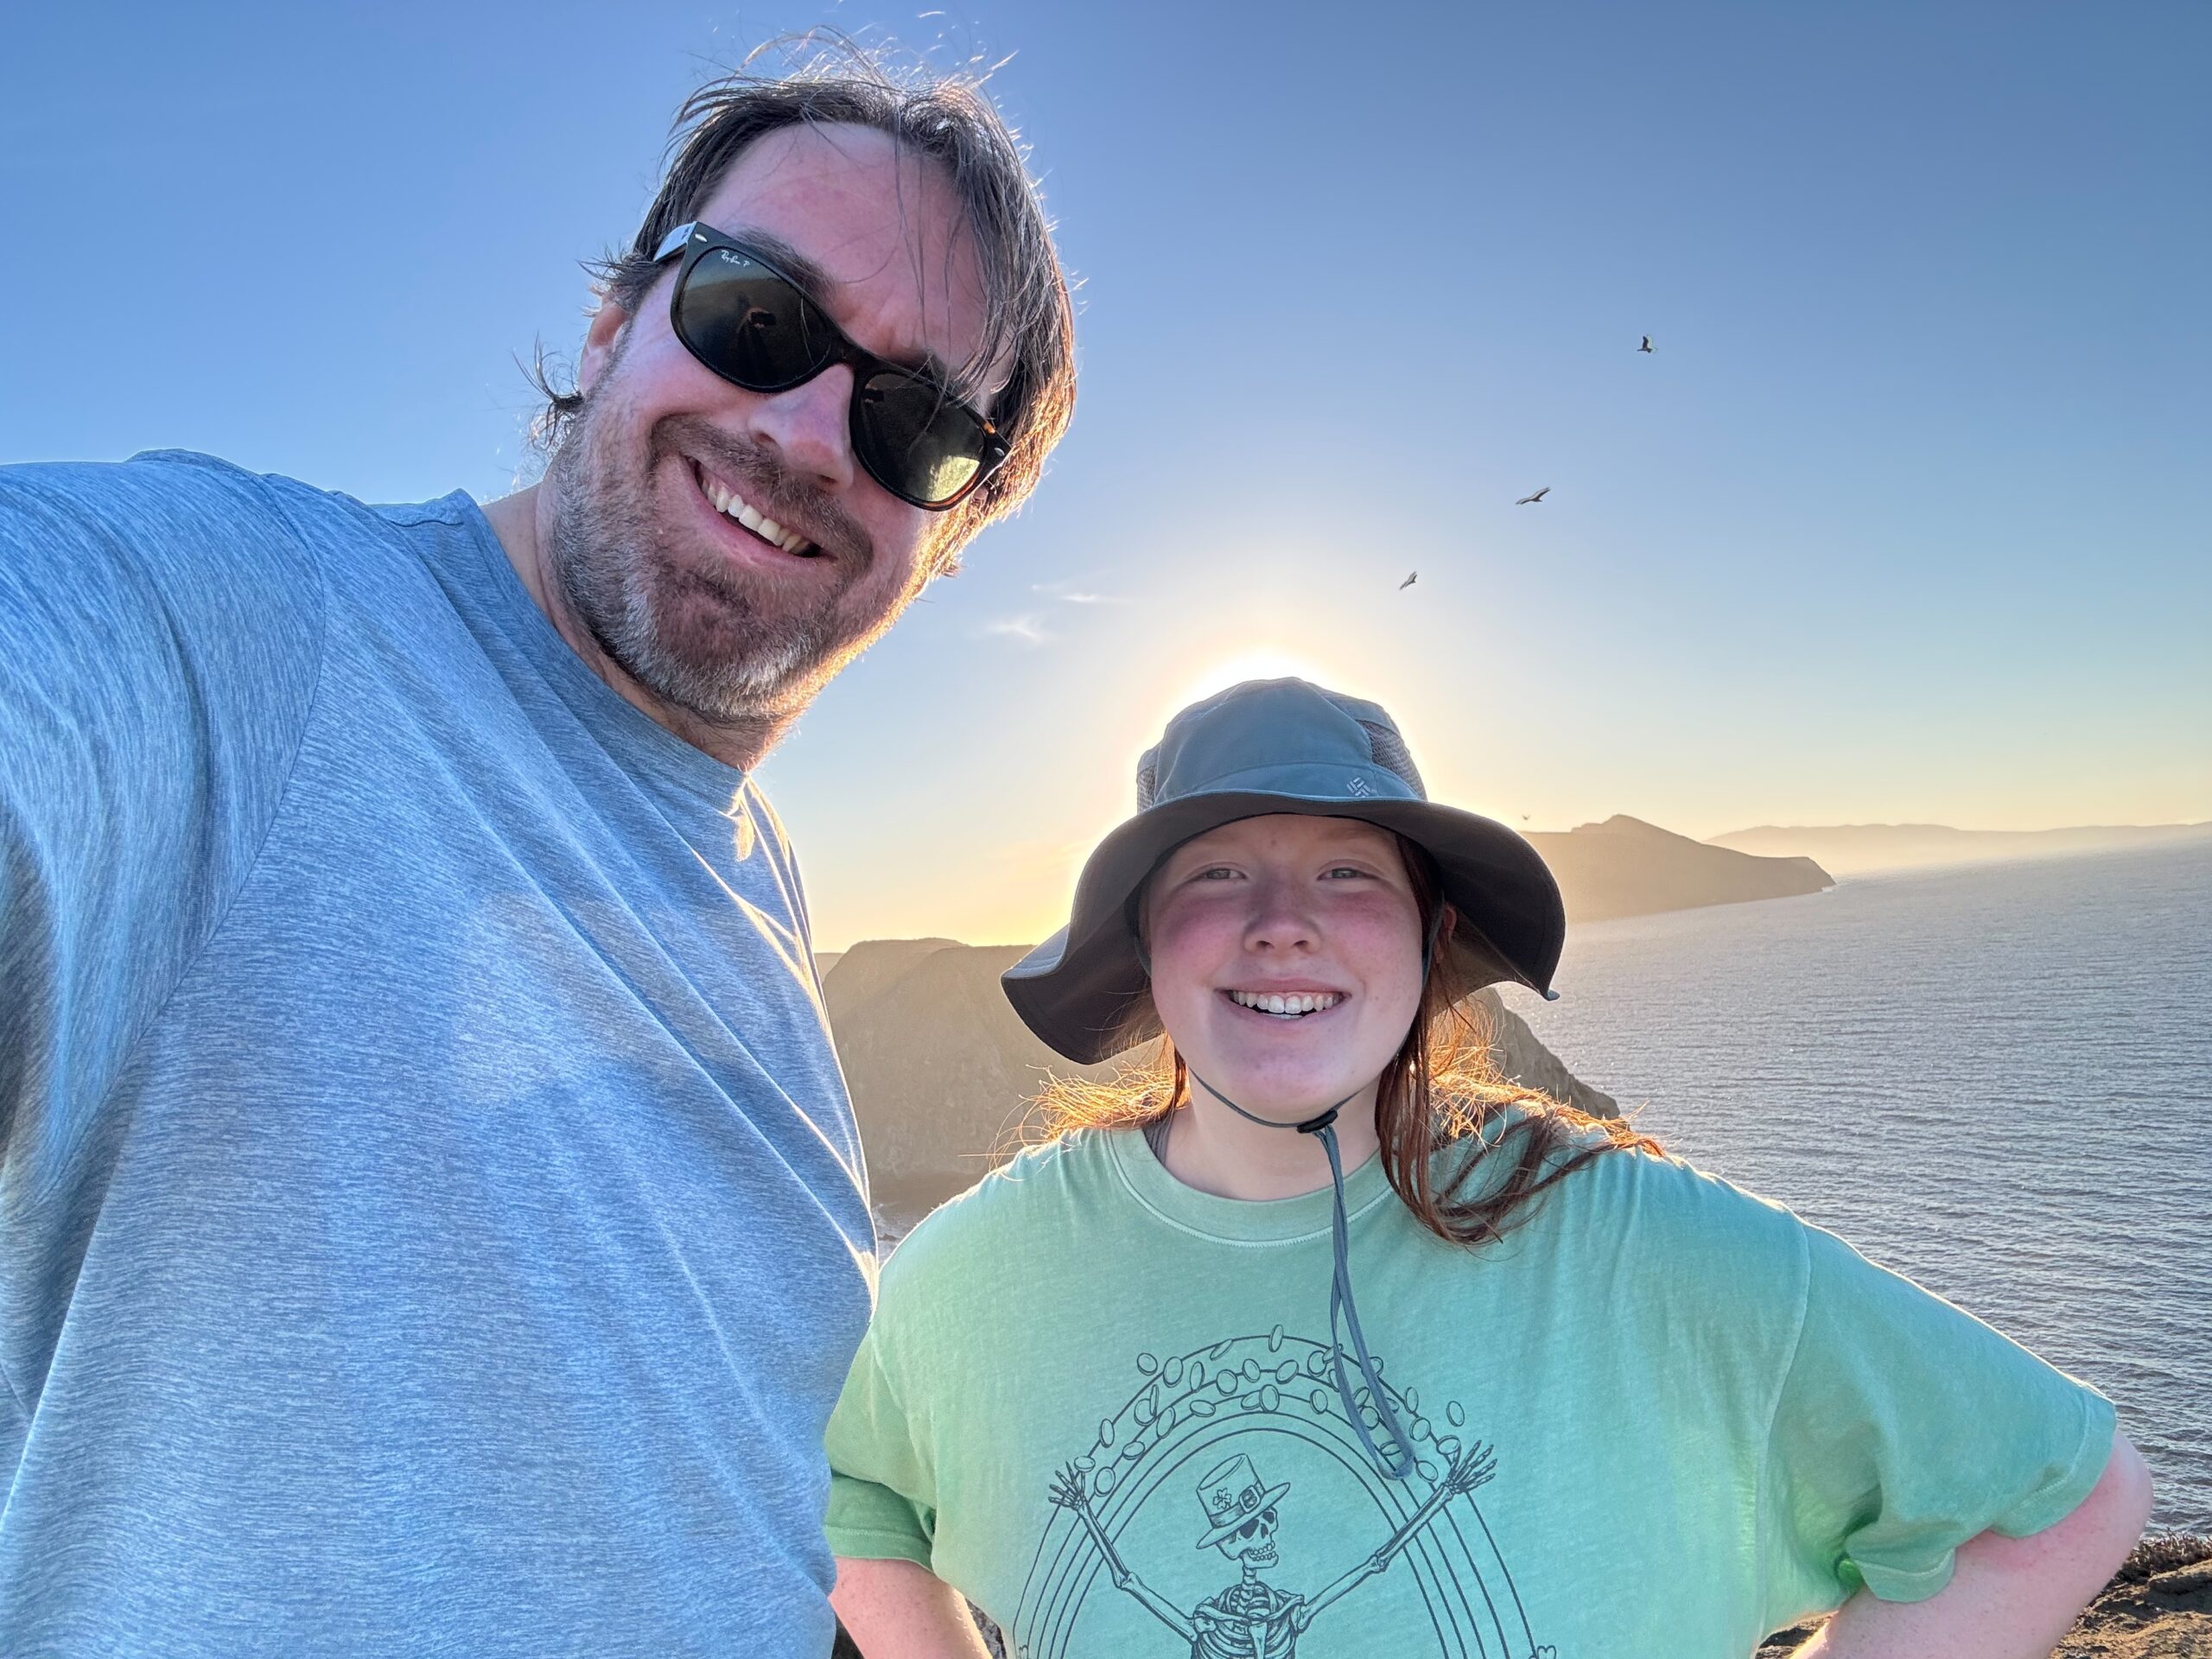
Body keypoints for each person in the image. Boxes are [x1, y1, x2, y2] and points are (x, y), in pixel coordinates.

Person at [0, 47, 1073, 1657]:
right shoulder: (241, 625)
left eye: (917, 423)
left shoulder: (757, 884)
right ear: (610, 319)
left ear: (953, 531)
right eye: (756, 314)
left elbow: (756, 1478)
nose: (804, 429)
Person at [824, 677, 2152, 1658]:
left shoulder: (1633, 1244)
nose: (1282, 927)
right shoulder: (982, 1271)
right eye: (1218, 874)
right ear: (1147, 946)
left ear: (1429, 935)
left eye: (1348, 874)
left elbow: (2069, 1491)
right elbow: (850, 1488)